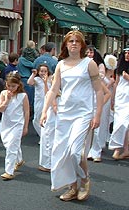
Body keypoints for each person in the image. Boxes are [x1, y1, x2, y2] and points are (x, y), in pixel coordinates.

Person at [40, 30, 103, 201]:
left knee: (76, 152)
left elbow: (99, 90)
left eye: (77, 41)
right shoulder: (61, 64)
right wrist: (45, 111)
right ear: (66, 44)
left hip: (83, 114)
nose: (73, 44)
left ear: (82, 45)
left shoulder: (89, 64)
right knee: (63, 152)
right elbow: (54, 89)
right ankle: (72, 187)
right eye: (70, 41)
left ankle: (84, 180)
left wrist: (97, 115)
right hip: (64, 114)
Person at [0, 71, 29, 180]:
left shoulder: (23, 96)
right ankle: (19, 159)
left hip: (18, 124)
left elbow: (26, 111)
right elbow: (1, 109)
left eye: (13, 86)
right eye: (9, 85)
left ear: (18, 85)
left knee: (11, 146)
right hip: (6, 124)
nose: (11, 88)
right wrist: (7, 99)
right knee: (9, 144)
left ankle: (9, 171)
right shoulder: (3, 94)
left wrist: (25, 126)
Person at [109, 48, 129, 160]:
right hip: (120, 99)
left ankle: (117, 149)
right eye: (125, 53)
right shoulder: (119, 68)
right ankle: (125, 149)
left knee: (123, 123)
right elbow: (116, 84)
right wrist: (113, 99)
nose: (127, 55)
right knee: (120, 123)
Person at [27, 64, 52, 137]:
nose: (43, 73)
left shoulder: (50, 78)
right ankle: (42, 135)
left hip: (48, 101)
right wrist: (33, 74)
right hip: (39, 102)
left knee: (48, 118)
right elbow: (29, 82)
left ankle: (47, 135)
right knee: (36, 119)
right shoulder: (37, 79)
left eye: (45, 71)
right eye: (41, 71)